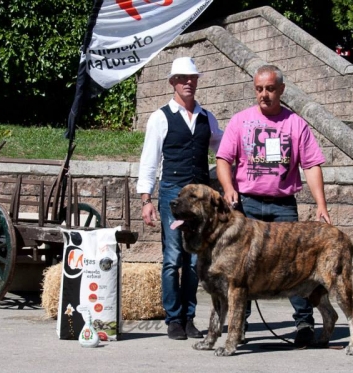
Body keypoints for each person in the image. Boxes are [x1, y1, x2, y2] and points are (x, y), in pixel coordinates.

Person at [215, 64, 331, 347]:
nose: (263, 94)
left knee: (295, 266)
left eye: (269, 88)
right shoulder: (240, 121)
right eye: (258, 89)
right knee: (242, 269)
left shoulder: (296, 124)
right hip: (247, 206)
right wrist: (229, 188)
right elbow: (223, 160)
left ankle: (303, 324)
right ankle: (238, 325)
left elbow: (312, 165)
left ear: (281, 89)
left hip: (283, 206)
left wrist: (321, 205)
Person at [137, 57, 224, 340]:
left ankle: (189, 317)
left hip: (199, 198)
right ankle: (173, 318)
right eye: (183, 78)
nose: (188, 82)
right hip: (173, 192)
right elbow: (149, 160)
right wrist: (146, 199)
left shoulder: (206, 117)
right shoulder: (161, 117)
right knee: (173, 258)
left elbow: (223, 146)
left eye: (193, 77)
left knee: (193, 261)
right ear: (173, 82)